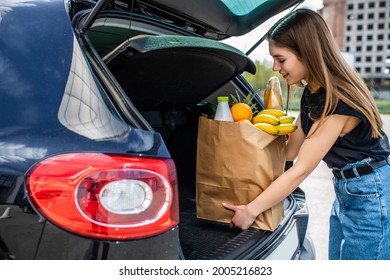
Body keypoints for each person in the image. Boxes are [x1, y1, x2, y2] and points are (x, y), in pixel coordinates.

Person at [223, 8, 390, 260]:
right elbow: (290, 151)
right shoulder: (313, 93)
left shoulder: (338, 100)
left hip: (371, 193)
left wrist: (251, 210)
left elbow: (300, 169)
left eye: (281, 59)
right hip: (349, 189)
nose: (276, 67)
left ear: (307, 54)